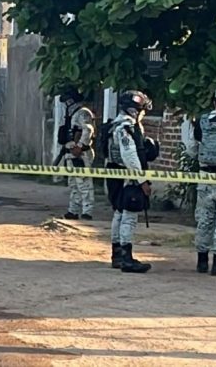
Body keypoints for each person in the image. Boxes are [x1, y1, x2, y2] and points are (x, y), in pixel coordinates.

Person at [187, 88, 216, 276]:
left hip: (205, 178)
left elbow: (191, 150)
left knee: (204, 219)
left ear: (214, 101)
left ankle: (201, 262)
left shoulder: (201, 121)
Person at [106, 90, 154, 273]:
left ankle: (117, 255)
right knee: (129, 216)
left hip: (115, 174)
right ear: (135, 111)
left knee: (118, 213)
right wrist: (142, 181)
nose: (143, 114)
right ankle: (127, 258)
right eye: (143, 110)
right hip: (128, 176)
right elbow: (130, 156)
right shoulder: (126, 127)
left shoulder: (114, 125)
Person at [58, 87, 95, 220]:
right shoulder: (70, 114)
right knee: (74, 184)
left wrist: (80, 146)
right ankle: (73, 211)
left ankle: (87, 212)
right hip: (70, 153)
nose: (66, 103)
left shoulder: (83, 112)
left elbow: (88, 130)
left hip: (81, 155)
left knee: (84, 184)